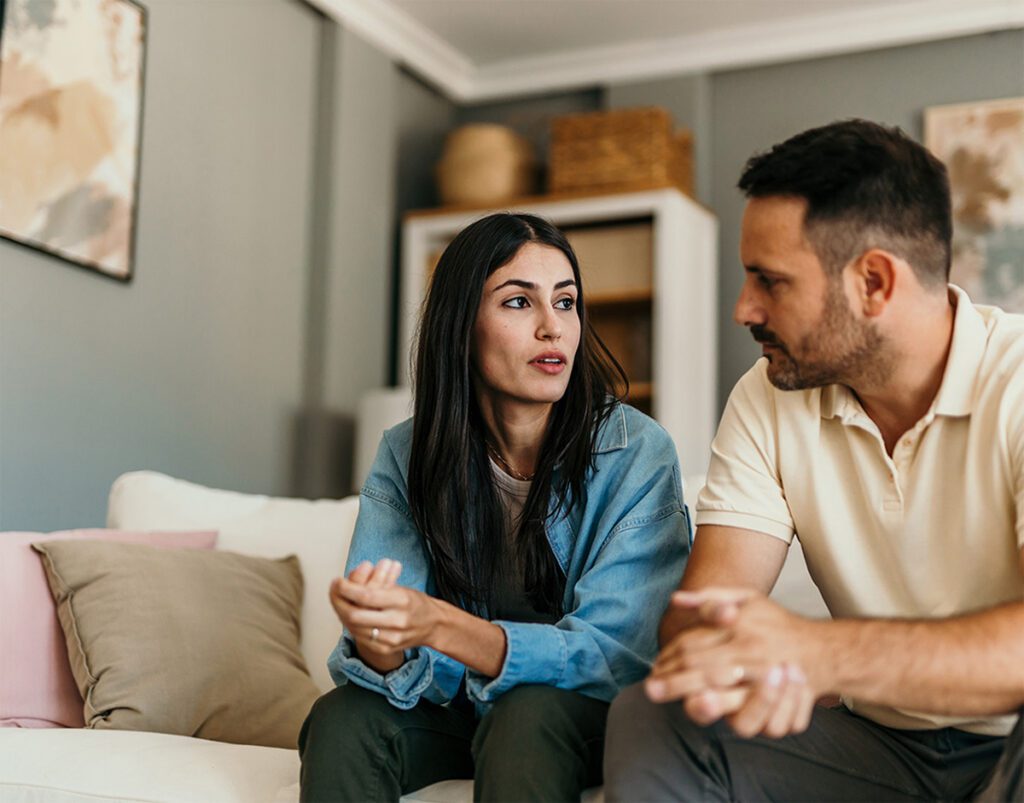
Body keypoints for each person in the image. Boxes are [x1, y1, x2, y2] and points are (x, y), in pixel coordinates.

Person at [604, 119, 1024, 802]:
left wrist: (823, 654)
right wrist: (738, 661)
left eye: (770, 282)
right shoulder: (767, 396)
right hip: (877, 747)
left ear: (874, 282)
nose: (744, 309)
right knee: (658, 718)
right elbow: (703, 614)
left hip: (1013, 739)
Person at [298, 212, 692, 802]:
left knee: (525, 716)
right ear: (463, 325)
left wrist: (445, 627)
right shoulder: (407, 453)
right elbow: (398, 662)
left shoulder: (636, 452)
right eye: (518, 302)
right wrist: (381, 637)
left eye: (565, 302)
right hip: (463, 712)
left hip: (585, 715)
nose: (552, 328)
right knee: (341, 717)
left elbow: (617, 657)